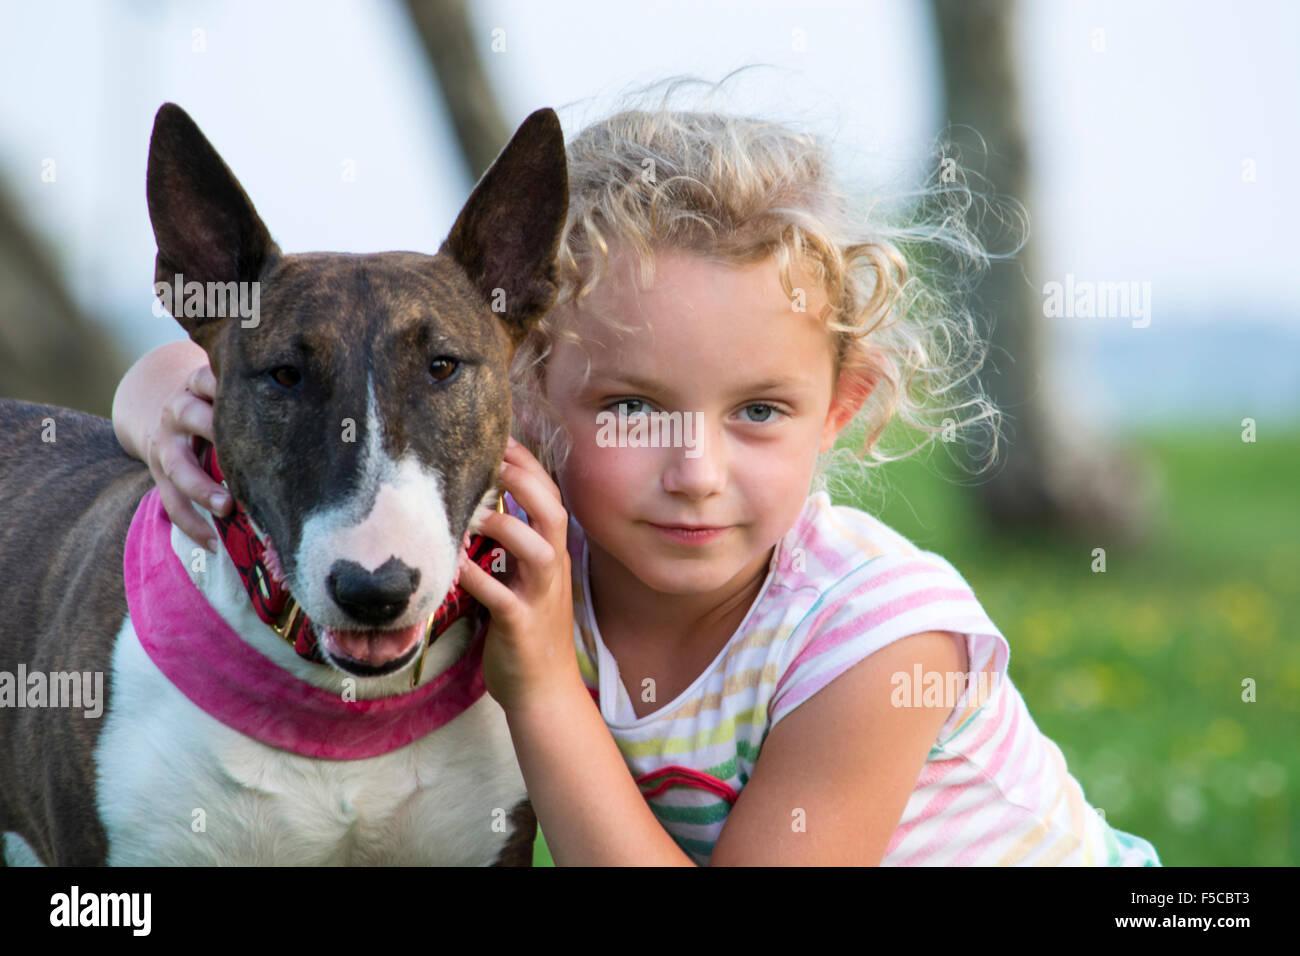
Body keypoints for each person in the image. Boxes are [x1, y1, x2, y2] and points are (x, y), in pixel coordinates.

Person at [112, 90, 1161, 867]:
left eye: (758, 410)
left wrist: (539, 688)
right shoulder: (535, 543)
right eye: (630, 407)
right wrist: (164, 403)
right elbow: (243, 351)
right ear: (525, 391)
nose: (694, 472)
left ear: (841, 407)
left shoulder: (881, 638)